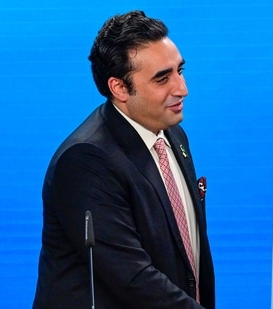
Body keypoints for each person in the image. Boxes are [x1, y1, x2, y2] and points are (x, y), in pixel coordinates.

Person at [33, 10, 215, 309]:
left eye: (179, 70)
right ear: (119, 88)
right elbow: (131, 277)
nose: (182, 88)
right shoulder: (87, 159)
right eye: (162, 78)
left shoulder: (174, 135)